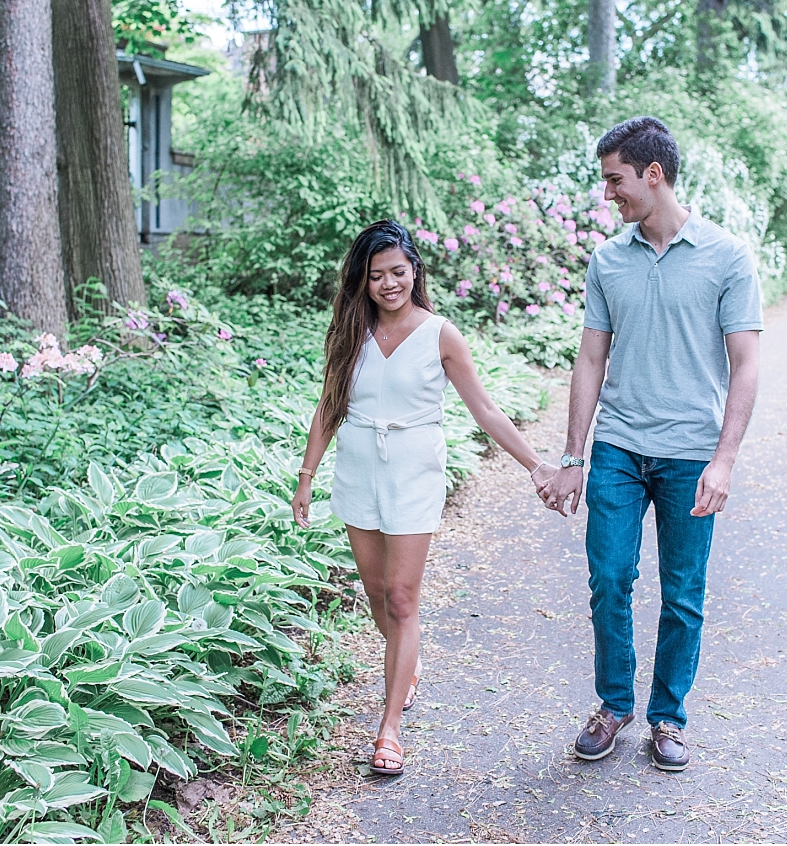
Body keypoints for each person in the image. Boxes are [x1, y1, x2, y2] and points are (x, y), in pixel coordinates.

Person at [538, 117, 763, 772]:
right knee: (609, 578)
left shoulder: (726, 256)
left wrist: (724, 459)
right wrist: (574, 455)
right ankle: (614, 704)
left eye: (616, 179)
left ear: (653, 174)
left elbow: (745, 364)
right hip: (618, 448)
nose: (608, 192)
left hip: (691, 452)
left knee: (683, 593)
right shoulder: (608, 260)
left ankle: (668, 715)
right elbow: (589, 359)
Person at [293, 220, 557, 776]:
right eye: (376, 275)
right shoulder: (350, 331)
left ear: (415, 270)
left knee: (402, 598)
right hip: (359, 469)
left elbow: (484, 410)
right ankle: (404, 662)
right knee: (375, 594)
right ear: (362, 281)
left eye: (398, 272)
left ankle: (389, 727)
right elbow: (328, 405)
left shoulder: (440, 334)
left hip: (414, 471)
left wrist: (536, 465)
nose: (389, 284)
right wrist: (307, 473)